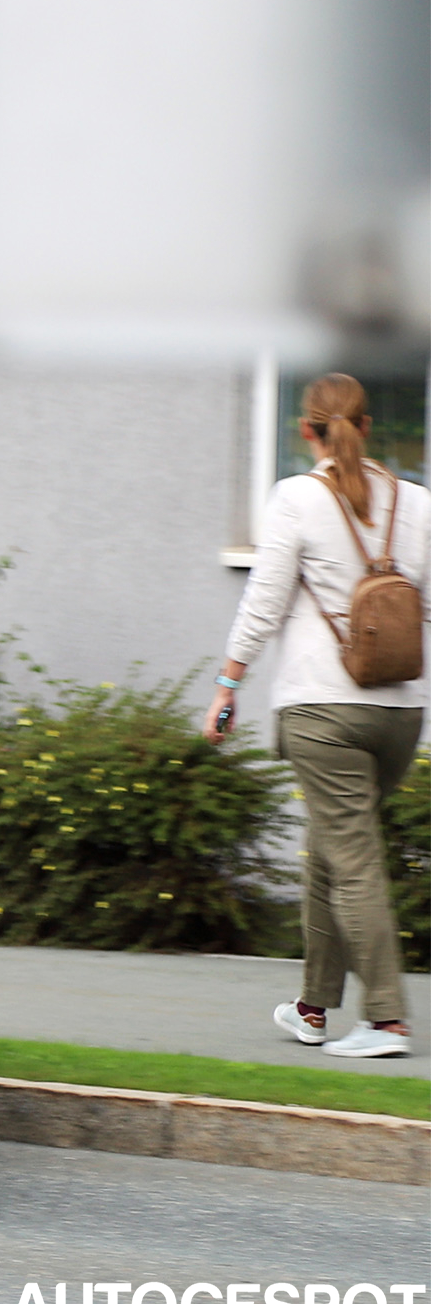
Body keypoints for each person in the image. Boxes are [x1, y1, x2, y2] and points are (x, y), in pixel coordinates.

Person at [207, 372, 420, 1059]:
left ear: (308, 431)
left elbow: (264, 602)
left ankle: (386, 1019)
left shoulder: (296, 497)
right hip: (400, 715)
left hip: (323, 712)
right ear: (366, 424)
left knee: (351, 857)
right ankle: (313, 1008)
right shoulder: (417, 504)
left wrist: (227, 684)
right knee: (332, 851)